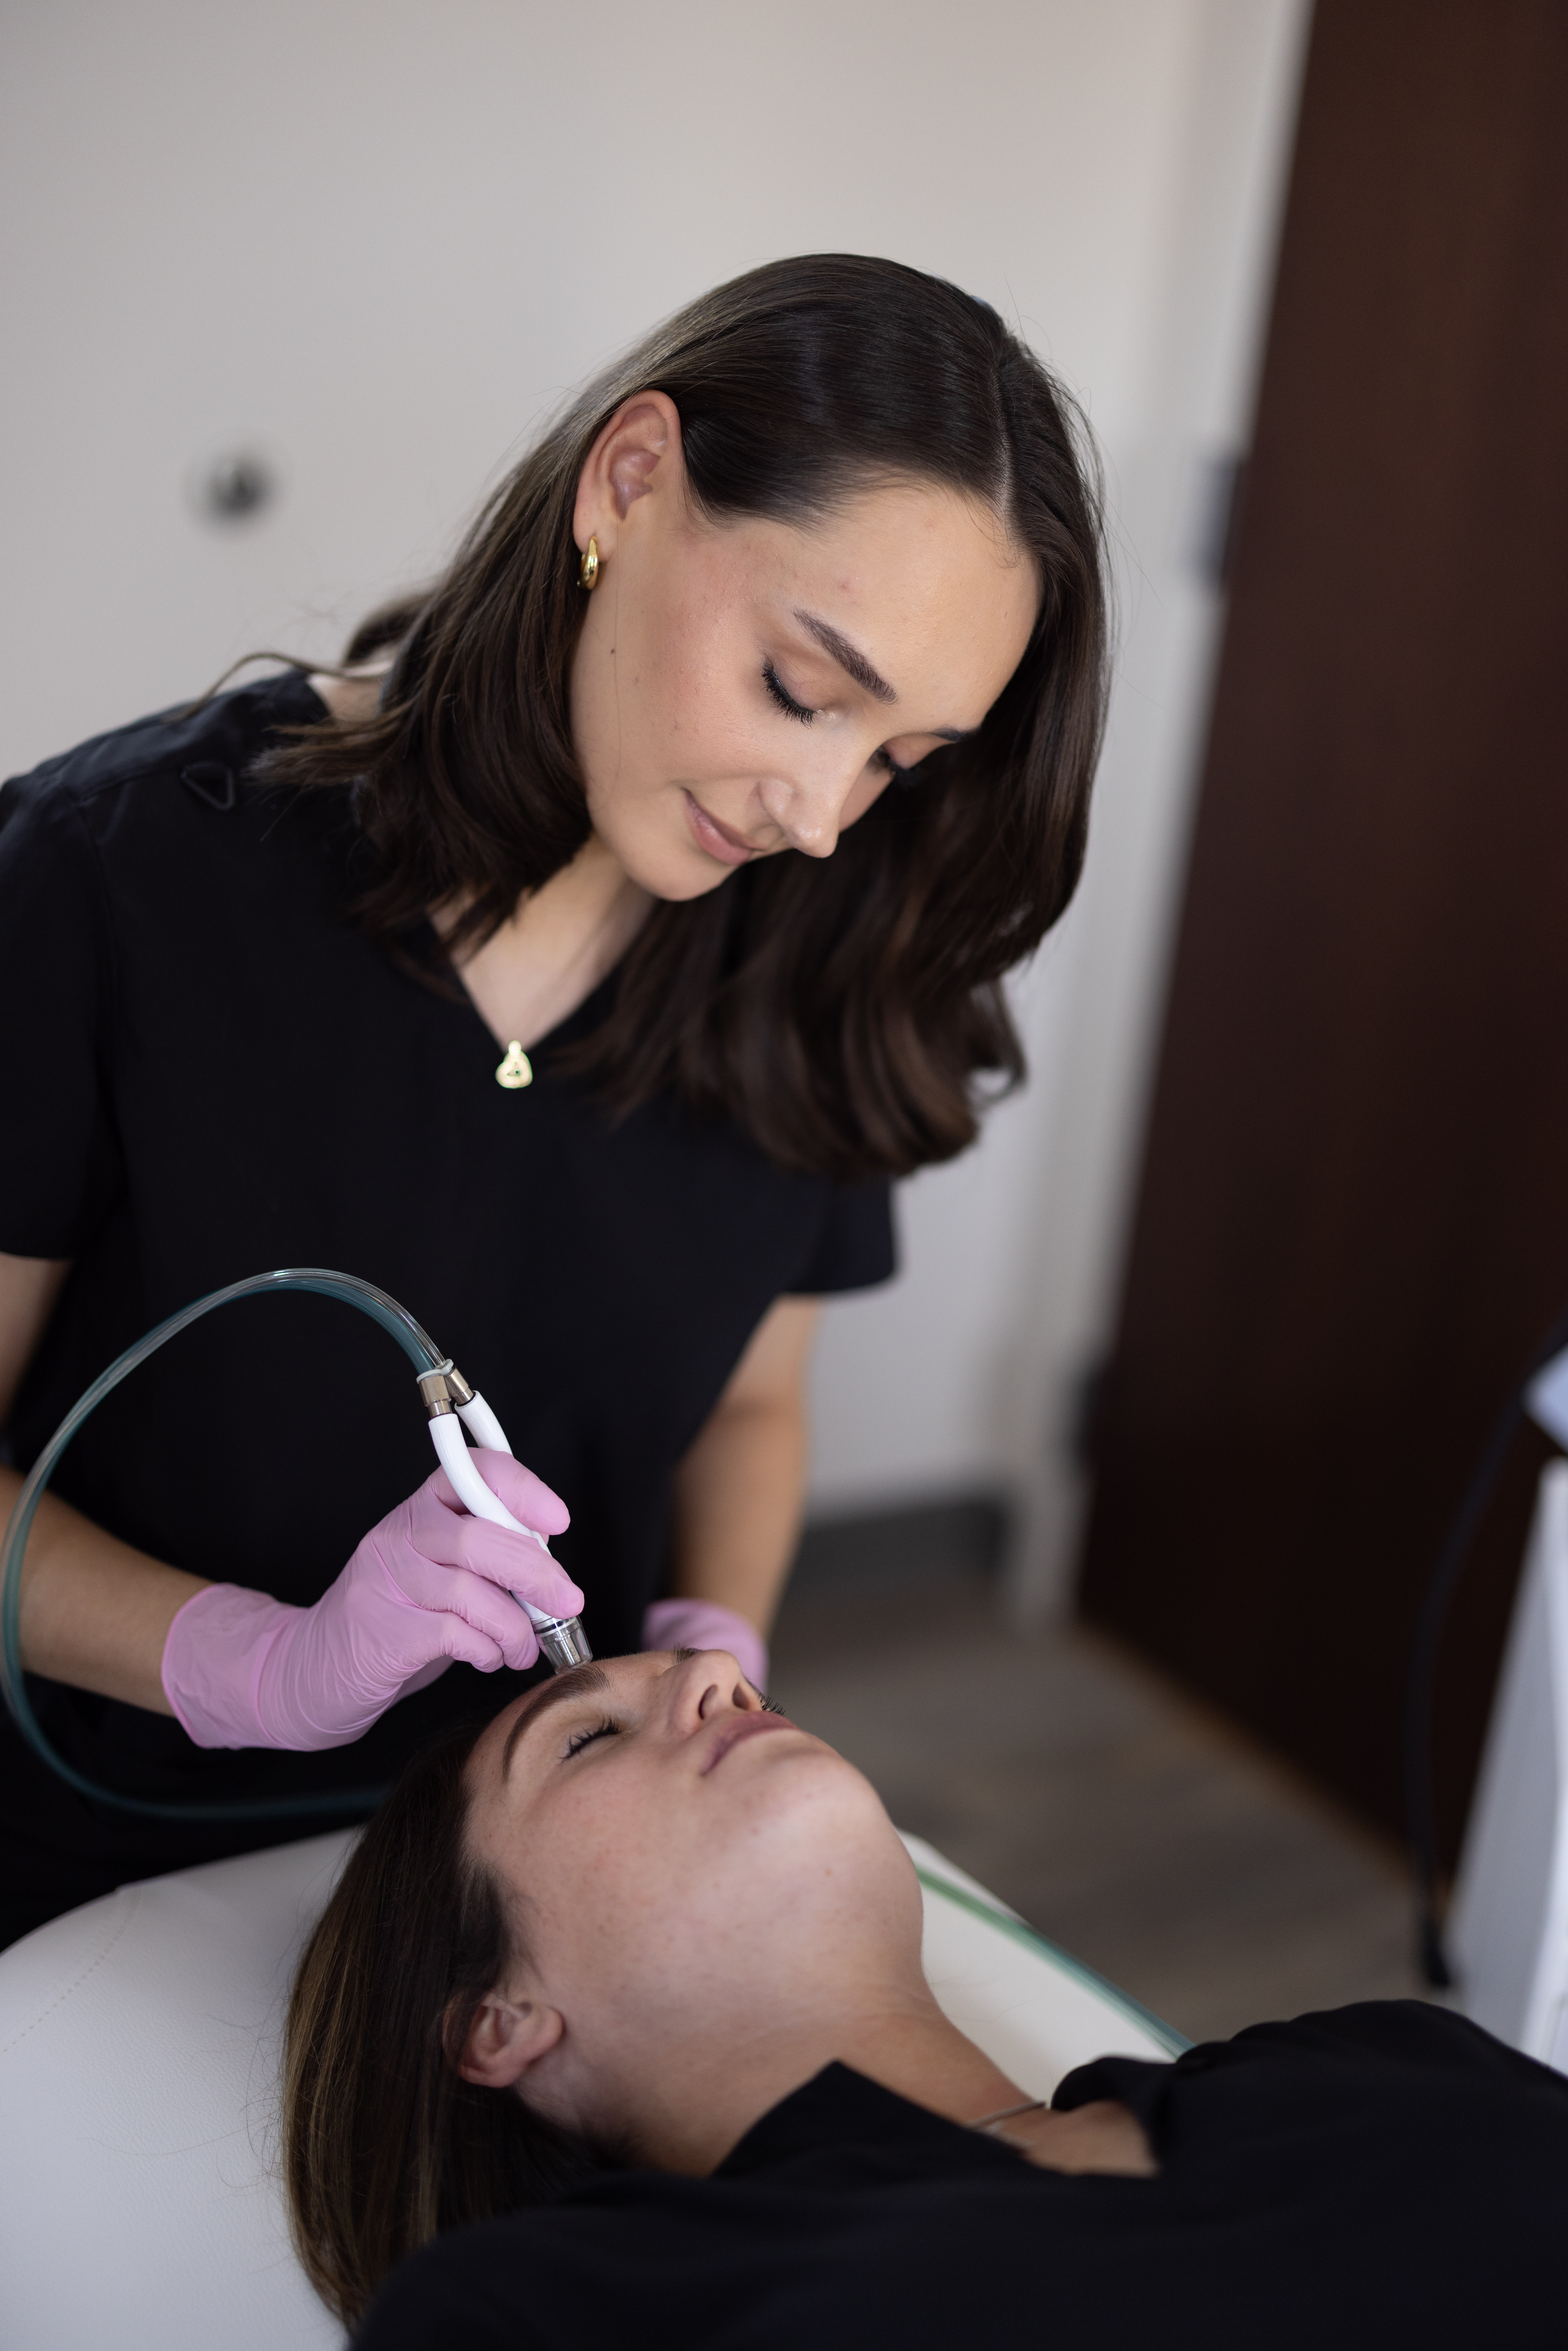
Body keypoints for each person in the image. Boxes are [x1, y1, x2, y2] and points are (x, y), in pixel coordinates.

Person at [0, 253, 1107, 1944]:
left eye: (896, 760)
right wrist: (244, 1662)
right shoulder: (111, 886)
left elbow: (750, 1407)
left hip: (529, 1906)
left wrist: (714, 1639)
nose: (820, 811)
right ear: (630, 483)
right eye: (804, 693)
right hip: (86, 1847)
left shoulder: (827, 956)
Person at [288, 1646, 1568, 2348]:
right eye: (587, 1736)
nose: (720, 1678)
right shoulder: (558, 2310)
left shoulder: (1375, 2049)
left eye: (728, 1679)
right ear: (496, 2018)